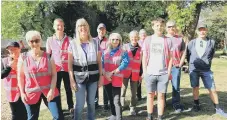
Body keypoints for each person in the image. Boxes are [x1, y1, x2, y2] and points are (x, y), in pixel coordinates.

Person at [17, 30, 62, 120]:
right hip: (31, 93)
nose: (34, 43)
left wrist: (52, 90)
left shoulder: (49, 57)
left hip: (49, 91)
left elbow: (54, 74)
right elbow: (20, 77)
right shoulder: (23, 57)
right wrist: (22, 93)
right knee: (32, 118)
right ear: (28, 42)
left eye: (37, 40)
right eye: (31, 41)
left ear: (40, 41)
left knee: (58, 117)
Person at [187, 23, 227, 118]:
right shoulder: (191, 42)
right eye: (200, 29)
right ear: (197, 31)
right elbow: (188, 55)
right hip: (194, 69)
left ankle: (218, 108)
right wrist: (192, 64)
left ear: (207, 31)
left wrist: (207, 61)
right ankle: (196, 105)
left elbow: (212, 54)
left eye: (204, 29)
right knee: (195, 87)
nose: (202, 31)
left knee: (212, 89)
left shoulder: (211, 42)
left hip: (206, 70)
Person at [68, 18, 102, 120]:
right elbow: (69, 65)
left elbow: (99, 62)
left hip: (93, 78)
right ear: (77, 29)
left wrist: (101, 78)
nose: (83, 28)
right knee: (79, 105)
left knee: (91, 103)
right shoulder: (72, 44)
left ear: (88, 27)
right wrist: (72, 80)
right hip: (79, 79)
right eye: (80, 26)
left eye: (84, 25)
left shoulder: (96, 43)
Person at [142, 18, 173, 120]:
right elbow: (144, 57)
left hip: (163, 73)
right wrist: (145, 72)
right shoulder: (148, 39)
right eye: (157, 26)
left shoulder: (168, 40)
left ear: (164, 27)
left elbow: (171, 57)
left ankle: (160, 117)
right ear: (153, 27)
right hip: (150, 73)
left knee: (161, 96)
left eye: (161, 25)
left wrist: (168, 72)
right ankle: (149, 116)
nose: (159, 27)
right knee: (150, 95)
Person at [46, 18, 74, 114]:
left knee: (68, 88)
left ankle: (71, 106)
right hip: (55, 69)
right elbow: (48, 56)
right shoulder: (49, 40)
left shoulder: (70, 39)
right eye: (58, 25)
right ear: (54, 27)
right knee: (56, 89)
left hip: (67, 68)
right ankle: (58, 109)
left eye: (62, 25)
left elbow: (72, 55)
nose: (60, 27)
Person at [102, 33, 129, 120]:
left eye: (117, 39)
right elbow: (101, 64)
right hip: (106, 78)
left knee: (116, 100)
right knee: (110, 98)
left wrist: (112, 73)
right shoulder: (105, 52)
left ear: (120, 41)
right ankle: (113, 115)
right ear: (110, 40)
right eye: (113, 39)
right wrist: (105, 74)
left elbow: (125, 63)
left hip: (116, 78)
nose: (115, 41)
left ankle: (119, 118)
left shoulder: (123, 51)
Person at [1, 42, 27, 120]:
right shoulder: (4, 61)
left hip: (24, 91)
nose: (12, 51)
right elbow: (1, 75)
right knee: (15, 115)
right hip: (12, 93)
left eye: (14, 49)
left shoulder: (25, 60)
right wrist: (9, 67)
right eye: (10, 49)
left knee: (25, 113)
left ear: (19, 49)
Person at [165, 20, 186, 113]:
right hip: (164, 66)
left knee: (176, 86)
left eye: (172, 26)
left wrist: (180, 64)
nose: (171, 28)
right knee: (163, 85)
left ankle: (176, 103)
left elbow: (184, 52)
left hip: (175, 66)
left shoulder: (180, 39)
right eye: (169, 27)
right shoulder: (163, 38)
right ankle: (162, 103)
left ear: (175, 27)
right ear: (166, 28)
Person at [121, 30, 142, 115]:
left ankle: (132, 107)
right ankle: (122, 105)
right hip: (125, 73)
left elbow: (141, 63)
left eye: (136, 37)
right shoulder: (124, 47)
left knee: (134, 92)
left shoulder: (141, 49)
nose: (134, 39)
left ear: (138, 38)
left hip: (135, 74)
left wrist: (141, 74)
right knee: (123, 90)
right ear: (130, 38)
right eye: (132, 37)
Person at [93, 23, 108, 109]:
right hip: (95, 66)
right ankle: (95, 103)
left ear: (105, 31)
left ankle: (106, 104)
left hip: (105, 66)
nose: (101, 31)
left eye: (103, 29)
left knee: (105, 84)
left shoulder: (108, 41)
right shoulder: (92, 40)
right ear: (97, 30)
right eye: (100, 29)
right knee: (95, 85)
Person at [137, 29, 147, 101]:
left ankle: (150, 94)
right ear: (139, 35)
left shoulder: (148, 42)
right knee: (138, 80)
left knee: (148, 79)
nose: (143, 35)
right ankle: (139, 96)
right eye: (141, 34)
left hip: (147, 63)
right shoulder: (137, 43)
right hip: (139, 64)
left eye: (144, 34)